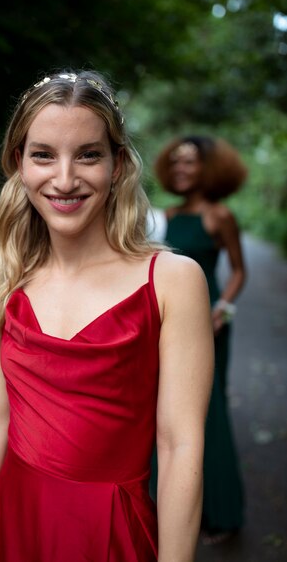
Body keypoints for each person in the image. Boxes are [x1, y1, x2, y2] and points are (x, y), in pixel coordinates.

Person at [0, 71, 214, 562]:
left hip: (107, 531)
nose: (64, 179)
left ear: (118, 164)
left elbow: (179, 445)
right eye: (44, 154)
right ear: (19, 163)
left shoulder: (172, 280)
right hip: (9, 521)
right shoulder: (11, 276)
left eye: (88, 154)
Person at [153, 135, 247, 544]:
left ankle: (223, 514)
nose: (181, 169)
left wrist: (221, 311)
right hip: (169, 323)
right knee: (166, 411)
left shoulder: (219, 216)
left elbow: (239, 271)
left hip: (210, 325)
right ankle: (166, 508)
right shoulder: (165, 217)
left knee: (210, 410)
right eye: (175, 163)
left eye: (189, 162)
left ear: (209, 168)